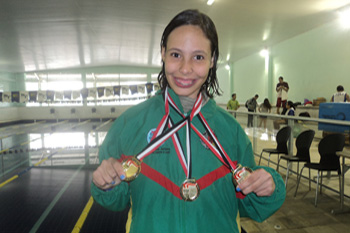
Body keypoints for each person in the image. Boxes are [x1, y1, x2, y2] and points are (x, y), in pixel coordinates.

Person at [91, 9, 285, 233]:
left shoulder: (230, 130)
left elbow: (248, 205)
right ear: (163, 53)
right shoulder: (130, 124)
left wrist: (268, 187)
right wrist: (106, 183)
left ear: (212, 61)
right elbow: (116, 200)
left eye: (198, 57)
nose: (185, 68)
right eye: (176, 55)